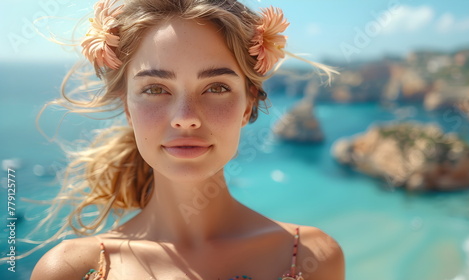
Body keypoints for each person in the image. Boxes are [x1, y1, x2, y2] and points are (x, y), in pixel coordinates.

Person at [30, 0, 344, 279]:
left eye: (216, 87)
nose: (186, 116)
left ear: (247, 105)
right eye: (155, 89)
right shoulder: (66, 271)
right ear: (127, 107)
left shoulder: (311, 257)